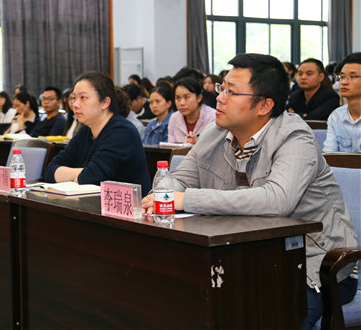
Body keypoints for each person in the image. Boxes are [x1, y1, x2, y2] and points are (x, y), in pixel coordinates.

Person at [142, 53, 357, 330]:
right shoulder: (215, 132)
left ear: (264, 105)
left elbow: (276, 200)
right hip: (248, 256)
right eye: (221, 88)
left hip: (312, 264)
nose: (219, 98)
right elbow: (181, 179)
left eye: (231, 92)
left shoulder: (295, 137)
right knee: (180, 298)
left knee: (270, 316)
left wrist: (186, 199)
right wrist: (163, 194)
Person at [44, 71, 151, 195]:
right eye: (74, 98)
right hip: (90, 203)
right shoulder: (85, 131)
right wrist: (83, 173)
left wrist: (75, 175)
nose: (75, 105)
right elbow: (50, 172)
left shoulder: (123, 132)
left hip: (126, 205)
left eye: (83, 98)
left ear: (105, 103)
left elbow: (91, 178)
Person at [323, 52, 361, 152]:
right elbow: (329, 155)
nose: (344, 82)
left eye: (353, 76)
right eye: (342, 77)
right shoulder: (336, 116)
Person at [168, 77, 216, 145]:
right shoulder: (174, 118)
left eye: (187, 97)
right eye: (178, 98)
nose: (182, 103)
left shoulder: (213, 117)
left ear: (199, 97)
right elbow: (171, 147)